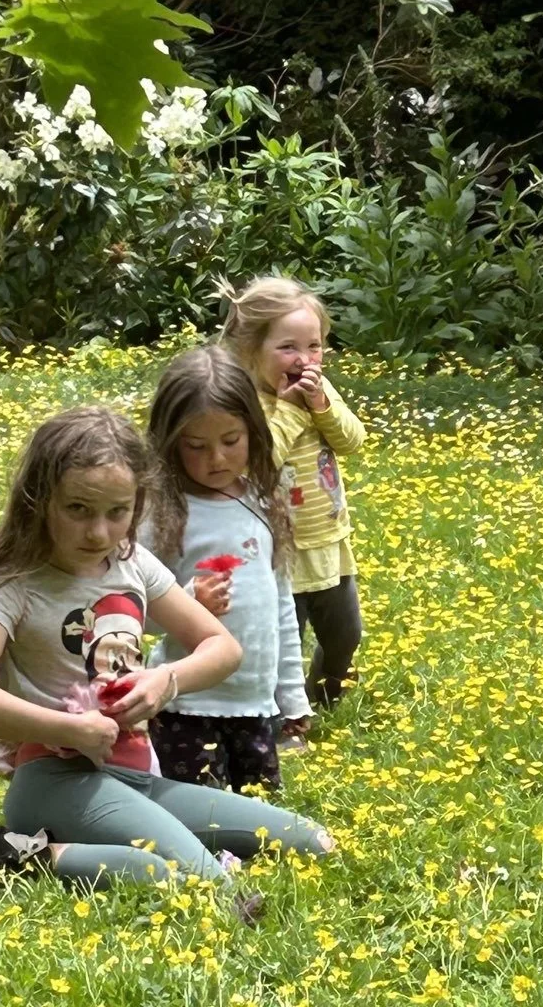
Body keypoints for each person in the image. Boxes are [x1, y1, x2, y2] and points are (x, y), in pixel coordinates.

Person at [0, 405, 333, 901]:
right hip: (54, 779)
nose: (99, 532)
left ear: (138, 504)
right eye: (77, 509)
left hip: (137, 774)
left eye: (117, 512)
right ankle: (9, 852)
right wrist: (68, 729)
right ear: (39, 501)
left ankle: (54, 848)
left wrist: (165, 681)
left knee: (310, 841)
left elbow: (222, 648)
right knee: (198, 879)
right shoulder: (13, 585)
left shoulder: (132, 564)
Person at [142, 346, 311, 793]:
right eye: (196, 446)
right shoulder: (163, 511)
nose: (216, 458)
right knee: (199, 818)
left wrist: (292, 697)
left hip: (254, 705)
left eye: (231, 441)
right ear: (169, 441)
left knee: (257, 821)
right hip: (186, 704)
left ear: (254, 431)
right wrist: (186, 602)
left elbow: (281, 607)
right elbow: (126, 609)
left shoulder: (261, 499)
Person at [221, 277, 366, 746]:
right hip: (277, 549)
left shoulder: (320, 393)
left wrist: (321, 405)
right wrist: (292, 412)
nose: (304, 359)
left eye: (314, 345)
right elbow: (259, 462)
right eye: (287, 347)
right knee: (285, 642)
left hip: (327, 538)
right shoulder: (247, 405)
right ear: (251, 350)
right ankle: (284, 720)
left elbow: (352, 441)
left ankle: (326, 690)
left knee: (345, 631)